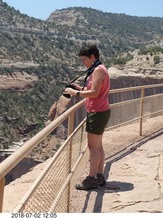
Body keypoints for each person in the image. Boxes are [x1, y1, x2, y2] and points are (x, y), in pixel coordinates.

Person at [64, 44, 111, 190]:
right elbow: (92, 89)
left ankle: (91, 180)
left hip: (97, 112)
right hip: (101, 111)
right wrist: (78, 88)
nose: (83, 62)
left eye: (84, 59)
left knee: (93, 147)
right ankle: (100, 176)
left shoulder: (97, 70)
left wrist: (75, 93)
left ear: (92, 57)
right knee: (98, 146)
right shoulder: (100, 68)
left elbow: (94, 93)